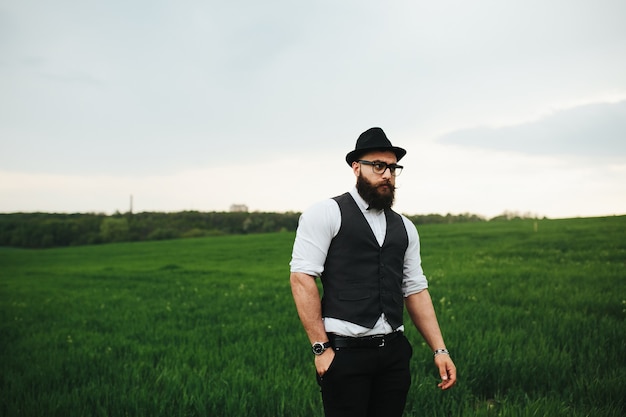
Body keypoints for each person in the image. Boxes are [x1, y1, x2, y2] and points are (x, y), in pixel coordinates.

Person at [289, 127, 456, 417]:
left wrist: (439, 349)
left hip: (394, 355)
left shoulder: (405, 227)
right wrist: (321, 349)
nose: (387, 174)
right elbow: (302, 277)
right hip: (345, 355)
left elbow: (415, 288)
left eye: (393, 167)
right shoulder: (327, 213)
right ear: (356, 168)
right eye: (378, 166)